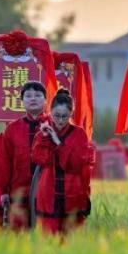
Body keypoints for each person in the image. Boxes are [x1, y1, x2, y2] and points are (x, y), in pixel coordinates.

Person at [32, 89, 92, 234]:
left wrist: (58, 143)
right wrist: (46, 139)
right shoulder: (42, 134)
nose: (60, 120)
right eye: (56, 116)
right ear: (50, 112)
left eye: (65, 116)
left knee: (71, 243)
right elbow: (39, 159)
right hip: (48, 194)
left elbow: (76, 165)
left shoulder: (79, 134)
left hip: (73, 194)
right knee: (49, 240)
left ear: (71, 114)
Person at [0, 81, 50, 230]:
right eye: (28, 95)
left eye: (38, 95)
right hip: (18, 192)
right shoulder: (12, 129)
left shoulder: (53, 125)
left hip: (47, 191)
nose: (33, 99)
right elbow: (4, 162)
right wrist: (4, 191)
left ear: (46, 100)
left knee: (46, 233)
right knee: (18, 235)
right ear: (21, 100)